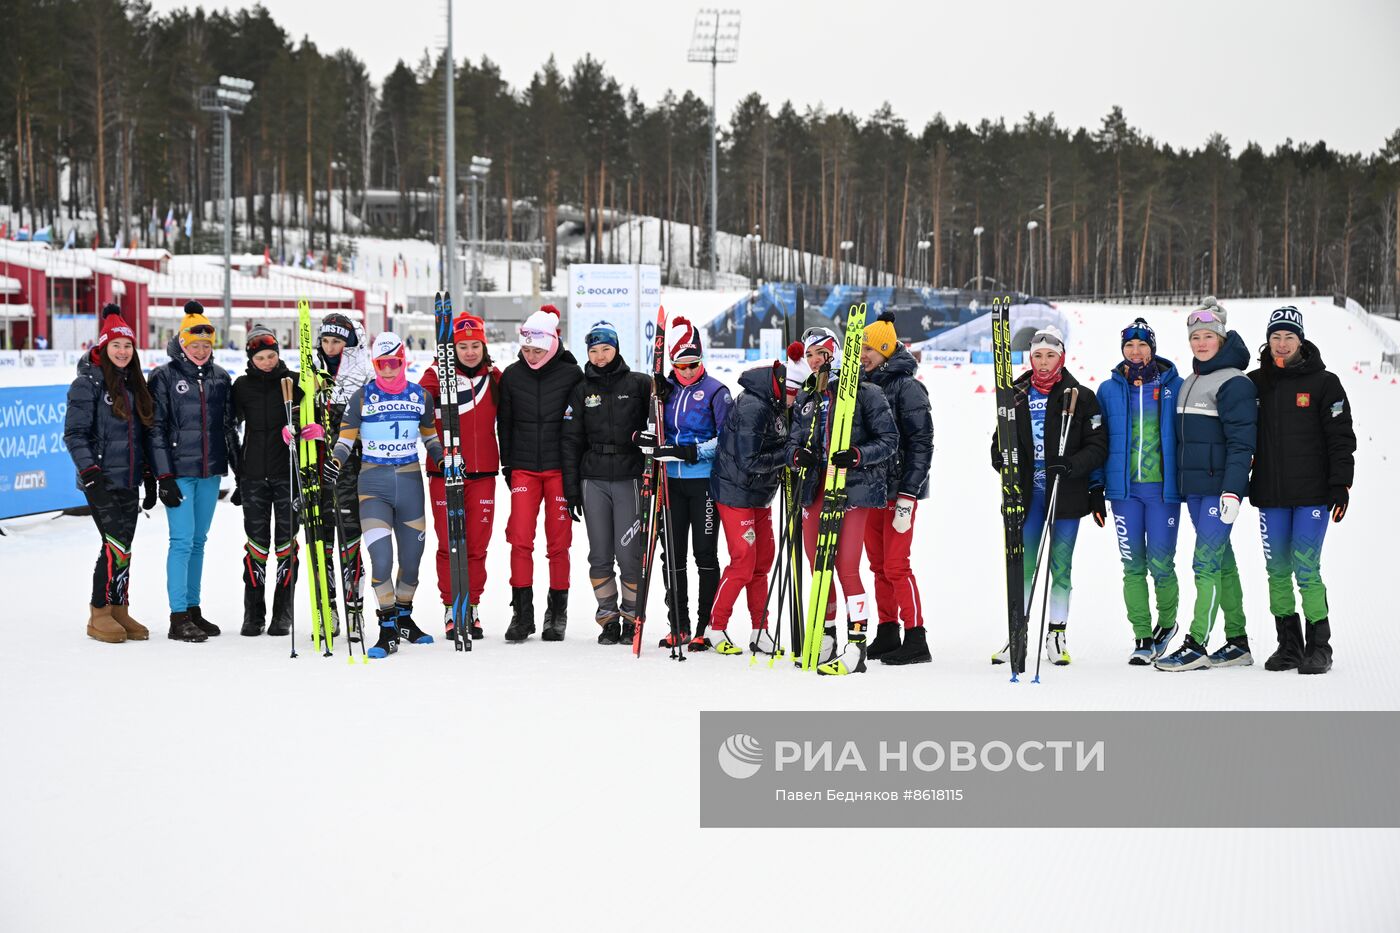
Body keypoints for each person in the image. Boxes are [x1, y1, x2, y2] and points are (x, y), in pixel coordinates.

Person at [988, 325, 1107, 667]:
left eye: (1050, 356)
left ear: (1061, 357)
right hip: (1028, 494)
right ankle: (1017, 634)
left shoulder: (1080, 396)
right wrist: (1001, 459)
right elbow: (1000, 441)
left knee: (1061, 567)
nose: (1043, 363)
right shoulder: (1016, 393)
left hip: (1064, 492)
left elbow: (1098, 446)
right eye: (1037, 355)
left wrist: (1070, 465)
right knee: (1022, 567)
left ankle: (1057, 634)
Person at [1247, 306, 1355, 675]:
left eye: (1288, 337)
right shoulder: (1255, 383)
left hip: (1312, 496)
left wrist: (1340, 484)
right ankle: (1289, 645)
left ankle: (1319, 646)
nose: (1281, 344)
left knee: (1306, 569)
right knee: (1276, 571)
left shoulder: (1326, 383)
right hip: (1271, 495)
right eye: (1275, 337)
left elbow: (1341, 439)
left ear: (1301, 340)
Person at [787, 326, 899, 676]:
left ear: (835, 352)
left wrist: (856, 455)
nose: (815, 360)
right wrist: (797, 457)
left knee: (846, 566)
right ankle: (826, 636)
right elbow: (792, 443)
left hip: (852, 490)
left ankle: (857, 646)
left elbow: (889, 440)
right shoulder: (807, 399)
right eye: (809, 355)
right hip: (814, 491)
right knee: (818, 566)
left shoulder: (866, 392)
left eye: (821, 352)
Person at [1155, 297, 1257, 671]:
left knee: (1204, 563)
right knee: (1222, 564)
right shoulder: (1190, 380)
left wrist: (1233, 489)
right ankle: (1238, 641)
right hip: (1195, 490)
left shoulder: (1234, 383)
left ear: (1221, 338)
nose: (1201, 342)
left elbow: (1242, 442)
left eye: (1208, 336)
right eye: (1195, 336)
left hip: (1218, 491)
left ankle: (1197, 642)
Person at [328, 332, 443, 659]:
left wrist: (443, 459)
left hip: (409, 484)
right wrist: (335, 461)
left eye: (394, 363)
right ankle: (386, 625)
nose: (389, 370)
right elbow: (345, 439)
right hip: (373, 486)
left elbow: (430, 438)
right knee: (381, 560)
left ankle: (404, 617)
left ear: (403, 360)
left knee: (411, 564)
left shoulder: (420, 396)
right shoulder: (362, 397)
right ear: (374, 364)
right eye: (382, 364)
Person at [1093, 318, 1185, 665]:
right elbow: (1098, 442)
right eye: (1129, 346)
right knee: (1132, 566)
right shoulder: (1108, 390)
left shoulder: (1175, 385)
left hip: (1162, 492)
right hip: (1123, 493)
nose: (1136, 351)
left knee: (1162, 564)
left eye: (1142, 345)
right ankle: (1142, 635)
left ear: (1153, 348)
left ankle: (1167, 623)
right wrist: (1096, 486)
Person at [63, 304, 157, 644]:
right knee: (113, 542)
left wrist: (148, 477)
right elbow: (74, 434)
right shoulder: (86, 383)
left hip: (128, 477)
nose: (122, 351)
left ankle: (119, 607)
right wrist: (90, 473)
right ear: (103, 347)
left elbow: (141, 436)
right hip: (100, 479)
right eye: (116, 345)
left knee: (125, 544)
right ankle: (99, 611)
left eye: (127, 346)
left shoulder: (134, 384)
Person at [640, 316, 733, 651]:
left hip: (704, 484)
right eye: (681, 365)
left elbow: (726, 440)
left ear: (701, 361)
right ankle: (677, 624)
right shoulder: (665, 391)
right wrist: (646, 439)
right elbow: (654, 430)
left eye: (693, 365)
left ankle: (703, 627)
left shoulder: (716, 392)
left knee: (704, 555)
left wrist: (688, 451)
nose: (688, 371)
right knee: (673, 557)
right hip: (671, 485)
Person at [149, 301, 237, 642]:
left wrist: (237, 471)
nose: (201, 350)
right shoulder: (164, 376)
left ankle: (193, 609)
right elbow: (154, 429)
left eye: (206, 344)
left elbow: (228, 427)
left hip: (210, 471)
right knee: (182, 541)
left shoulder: (220, 378)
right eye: (194, 344)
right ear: (182, 345)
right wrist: (163, 477)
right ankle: (177, 615)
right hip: (179, 472)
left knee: (199, 541)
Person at [560, 320, 651, 645]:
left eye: (606, 349)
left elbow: (659, 416)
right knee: (599, 555)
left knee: (629, 555)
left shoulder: (639, 384)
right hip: (593, 480)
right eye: (594, 351)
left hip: (628, 476)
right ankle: (608, 618)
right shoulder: (582, 390)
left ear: (617, 349)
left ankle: (630, 617)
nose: (600, 356)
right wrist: (571, 490)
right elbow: (570, 442)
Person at [497, 305, 582, 642]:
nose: (531, 355)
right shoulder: (513, 376)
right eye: (526, 349)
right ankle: (522, 613)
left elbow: (578, 427)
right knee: (519, 538)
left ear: (552, 345)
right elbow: (504, 423)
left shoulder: (571, 374)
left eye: (538, 350)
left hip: (559, 469)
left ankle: (556, 614)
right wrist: (508, 464)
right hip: (524, 470)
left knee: (559, 543)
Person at [231, 325, 320, 637]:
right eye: (260, 357)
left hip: (287, 475)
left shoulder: (294, 382)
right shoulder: (241, 386)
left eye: (271, 356)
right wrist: (237, 472)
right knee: (256, 545)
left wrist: (309, 428)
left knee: (285, 544)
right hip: (254, 475)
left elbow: (315, 415)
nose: (267, 362)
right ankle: (252, 614)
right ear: (251, 359)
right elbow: (229, 427)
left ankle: (283, 614)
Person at [858, 311, 935, 666]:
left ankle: (915, 636)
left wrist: (909, 492)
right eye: (859, 348)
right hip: (872, 489)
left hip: (899, 490)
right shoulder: (864, 384)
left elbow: (922, 442)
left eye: (870, 349)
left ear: (886, 350)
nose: (863, 354)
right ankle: (887, 630)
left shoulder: (907, 387)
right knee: (876, 564)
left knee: (896, 564)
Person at [420, 311, 501, 641]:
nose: (469, 352)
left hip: (483, 473)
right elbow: (413, 404)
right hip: (444, 472)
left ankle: (473, 606)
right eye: (462, 345)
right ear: (450, 347)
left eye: (474, 345)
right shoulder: (435, 375)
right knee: (449, 544)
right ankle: (452, 607)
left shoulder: (495, 378)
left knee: (477, 546)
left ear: (483, 346)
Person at [708, 358, 798, 656]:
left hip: (760, 493)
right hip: (736, 492)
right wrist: (787, 457)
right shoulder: (752, 406)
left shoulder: (775, 403)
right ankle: (716, 626)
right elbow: (749, 462)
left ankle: (760, 630)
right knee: (744, 561)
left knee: (762, 563)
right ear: (781, 385)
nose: (795, 400)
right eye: (793, 393)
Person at [314, 312, 373, 635]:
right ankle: (328, 608)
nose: (331, 346)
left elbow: (367, 424)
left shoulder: (363, 372)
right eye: (326, 340)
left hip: (350, 469)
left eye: (337, 341)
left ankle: (355, 609)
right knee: (321, 541)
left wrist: (336, 435)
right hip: (316, 469)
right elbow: (297, 414)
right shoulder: (311, 371)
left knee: (350, 539)